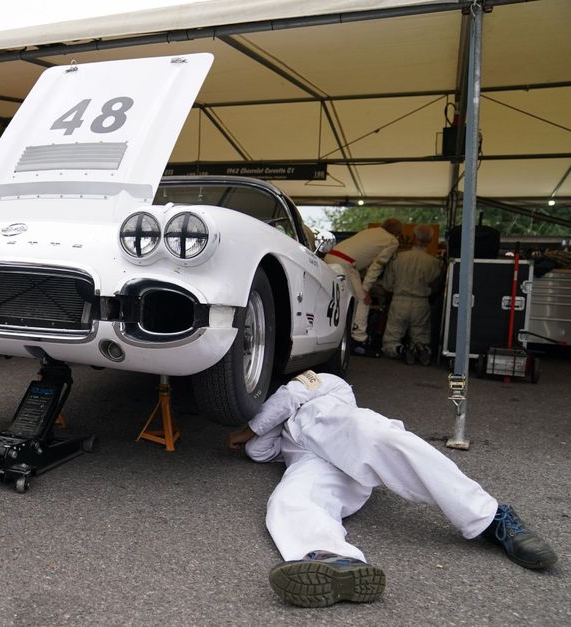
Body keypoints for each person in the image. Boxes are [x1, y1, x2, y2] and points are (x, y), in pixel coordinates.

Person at [227, 370, 557, 608]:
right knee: (288, 499)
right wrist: (257, 435)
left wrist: (250, 428)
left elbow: (289, 398)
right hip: (315, 461)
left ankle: (492, 517)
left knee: (384, 440)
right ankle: (333, 558)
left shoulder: (327, 387)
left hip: (335, 427)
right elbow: (260, 451)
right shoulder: (281, 433)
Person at [325, 218, 402, 356]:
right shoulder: (392, 241)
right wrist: (366, 289)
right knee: (363, 300)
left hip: (330, 257)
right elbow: (377, 265)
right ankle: (359, 340)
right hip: (345, 263)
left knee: (336, 299)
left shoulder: (371, 232)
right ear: (398, 233)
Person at [380, 225, 443, 365]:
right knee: (421, 336)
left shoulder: (398, 257)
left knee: (391, 340)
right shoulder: (434, 262)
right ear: (431, 240)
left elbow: (388, 285)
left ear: (413, 237)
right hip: (421, 302)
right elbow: (437, 287)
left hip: (399, 301)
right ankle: (421, 348)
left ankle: (401, 349)